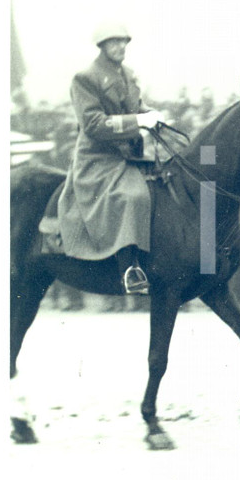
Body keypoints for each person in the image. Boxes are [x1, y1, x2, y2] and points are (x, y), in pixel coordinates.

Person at [57, 23, 165, 295]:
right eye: (113, 42)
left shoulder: (129, 75)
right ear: (102, 46)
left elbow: (136, 108)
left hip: (129, 155)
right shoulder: (85, 78)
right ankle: (130, 269)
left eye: (123, 41)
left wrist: (152, 115)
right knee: (133, 196)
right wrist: (138, 120)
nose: (120, 46)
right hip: (98, 158)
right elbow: (93, 124)